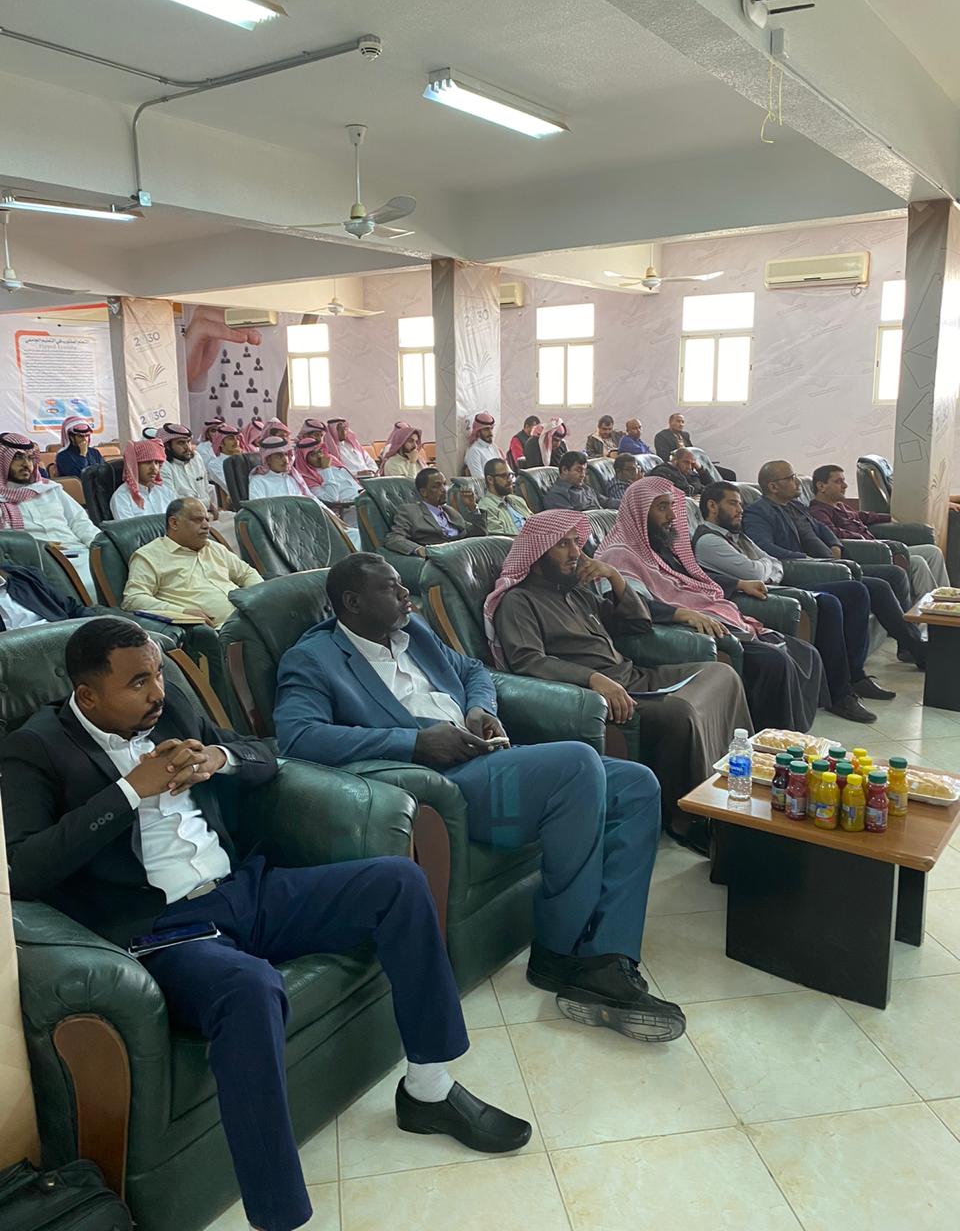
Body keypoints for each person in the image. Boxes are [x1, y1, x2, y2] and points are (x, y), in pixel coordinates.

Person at [2, 618, 529, 1231]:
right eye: (138, 682)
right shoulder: (35, 748)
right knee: (250, 988)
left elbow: (264, 753)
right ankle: (279, 1216)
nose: (158, 691)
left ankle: (428, 1090)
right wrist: (128, 792)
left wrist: (218, 758)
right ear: (88, 696)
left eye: (158, 674)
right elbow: (25, 867)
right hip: (162, 930)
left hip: (243, 891)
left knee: (398, 882)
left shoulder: (170, 713)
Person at [275, 552, 686, 1042]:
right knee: (577, 763)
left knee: (637, 785)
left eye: (402, 584)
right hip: (444, 783)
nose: (405, 594)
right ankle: (559, 953)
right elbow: (298, 737)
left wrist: (478, 709)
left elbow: (473, 670)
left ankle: (609, 956)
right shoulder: (313, 658)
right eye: (390, 588)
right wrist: (414, 742)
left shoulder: (413, 633)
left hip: (487, 758)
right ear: (352, 602)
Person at [485, 510, 751, 848]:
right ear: (537, 555)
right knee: (679, 714)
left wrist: (614, 578)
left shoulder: (576, 591)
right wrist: (593, 678)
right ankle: (688, 818)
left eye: (576, 543)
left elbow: (636, 624)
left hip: (634, 675)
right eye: (563, 545)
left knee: (722, 674)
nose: (575, 553)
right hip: (601, 694)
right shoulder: (519, 601)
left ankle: (733, 785)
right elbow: (528, 661)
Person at [597, 479, 828, 732]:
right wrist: (683, 614)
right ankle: (770, 741)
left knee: (805, 652)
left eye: (672, 506)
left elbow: (689, 577)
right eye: (662, 507)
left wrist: (738, 584)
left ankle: (793, 737)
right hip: (686, 629)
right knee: (774, 662)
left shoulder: (656, 547)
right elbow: (630, 605)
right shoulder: (619, 554)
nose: (672, 516)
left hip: (711, 616)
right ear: (640, 512)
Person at [693, 482, 886, 724]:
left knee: (855, 591)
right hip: (754, 596)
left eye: (740, 504)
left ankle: (855, 675)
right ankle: (840, 695)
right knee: (829, 604)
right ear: (712, 506)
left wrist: (766, 569)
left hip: (773, 586)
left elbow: (771, 561)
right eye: (733, 504)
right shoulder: (709, 541)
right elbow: (756, 571)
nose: (740, 510)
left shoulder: (736, 535)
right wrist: (766, 569)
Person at [743, 461, 926, 668]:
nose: (797, 482)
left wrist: (834, 545)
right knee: (878, 586)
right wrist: (806, 559)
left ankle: (909, 644)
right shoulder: (757, 513)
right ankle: (914, 649)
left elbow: (822, 528)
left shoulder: (795, 506)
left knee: (894, 574)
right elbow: (764, 548)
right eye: (791, 478)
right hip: (803, 572)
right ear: (773, 486)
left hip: (828, 565)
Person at [809, 464, 951, 600]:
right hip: (865, 553)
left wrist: (891, 517)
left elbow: (862, 516)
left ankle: (947, 600)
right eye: (838, 481)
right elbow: (830, 533)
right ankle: (927, 610)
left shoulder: (840, 506)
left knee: (933, 552)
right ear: (821, 486)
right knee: (918, 562)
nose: (845, 485)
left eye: (844, 481)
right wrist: (859, 537)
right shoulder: (818, 511)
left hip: (878, 547)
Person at [122, 497, 262, 628]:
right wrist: (182, 612)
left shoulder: (214, 547)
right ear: (174, 523)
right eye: (198, 520)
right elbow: (133, 599)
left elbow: (247, 573)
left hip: (253, 618)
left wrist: (259, 598)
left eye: (207, 519)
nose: (207, 526)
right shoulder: (149, 556)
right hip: (217, 630)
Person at [0, 433, 99, 597]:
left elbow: (80, 521)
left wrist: (100, 546)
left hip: (81, 553)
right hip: (37, 563)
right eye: (18, 458)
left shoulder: (50, 489)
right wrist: (40, 547)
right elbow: (6, 544)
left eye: (30, 458)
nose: (26, 464)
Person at [384, 468, 485, 557]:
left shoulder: (450, 511)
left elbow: (479, 534)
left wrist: (473, 507)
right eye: (436, 486)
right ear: (424, 492)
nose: (444, 490)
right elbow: (394, 538)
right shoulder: (410, 512)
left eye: (444, 484)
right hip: (442, 556)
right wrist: (418, 549)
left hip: (465, 553)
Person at [0, 561, 97, 631]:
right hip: (15, 649)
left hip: (60, 636)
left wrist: (99, 626)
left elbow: (72, 608)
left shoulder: (24, 575)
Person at [157, 423, 217, 514]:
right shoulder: (163, 466)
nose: (187, 447)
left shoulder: (196, 457)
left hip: (206, 513)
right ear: (167, 446)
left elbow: (206, 488)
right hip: (183, 516)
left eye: (188, 442)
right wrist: (206, 504)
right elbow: (173, 502)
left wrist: (212, 506)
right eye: (181, 443)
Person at [110, 440, 176, 520]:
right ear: (134, 466)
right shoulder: (122, 497)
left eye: (156, 462)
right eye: (147, 462)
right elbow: (127, 527)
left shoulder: (165, 492)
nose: (154, 468)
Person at [247, 436, 313, 502]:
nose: (285, 460)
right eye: (278, 456)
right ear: (267, 460)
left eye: (286, 454)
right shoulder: (258, 481)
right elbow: (258, 507)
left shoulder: (293, 478)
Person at [477, 459, 534, 536]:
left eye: (510, 475)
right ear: (490, 479)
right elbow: (500, 540)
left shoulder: (517, 500)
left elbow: (536, 522)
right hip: (518, 542)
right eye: (504, 476)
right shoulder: (486, 507)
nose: (510, 480)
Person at [542, 451, 609, 511]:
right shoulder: (556, 496)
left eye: (584, 470)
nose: (583, 475)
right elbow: (573, 519)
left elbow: (606, 501)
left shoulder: (585, 487)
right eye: (579, 470)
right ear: (564, 470)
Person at [648, 447, 713, 497]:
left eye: (692, 463)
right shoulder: (662, 472)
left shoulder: (688, 472)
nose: (689, 467)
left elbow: (712, 485)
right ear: (675, 461)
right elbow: (683, 492)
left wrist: (700, 469)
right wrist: (695, 493)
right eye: (686, 462)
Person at [203, 422, 244, 493]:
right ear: (221, 443)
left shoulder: (244, 459)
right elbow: (231, 487)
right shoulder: (215, 464)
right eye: (231, 438)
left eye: (237, 438)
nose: (236, 442)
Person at [463, 412, 506, 480]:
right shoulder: (474, 451)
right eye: (486, 429)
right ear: (478, 431)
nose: (491, 433)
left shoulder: (494, 447)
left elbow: (506, 469)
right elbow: (480, 480)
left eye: (491, 428)